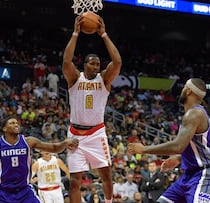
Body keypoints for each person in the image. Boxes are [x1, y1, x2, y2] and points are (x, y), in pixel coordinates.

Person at [127, 78, 210, 203]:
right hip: (189, 175)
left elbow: (178, 146)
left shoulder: (194, 114)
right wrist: (180, 158)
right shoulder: (194, 114)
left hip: (206, 175)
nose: (182, 90)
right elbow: (199, 147)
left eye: (184, 87)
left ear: (188, 91)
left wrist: (144, 149)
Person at [62, 14, 122, 203]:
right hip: (75, 134)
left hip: (96, 133)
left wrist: (104, 35)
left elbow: (118, 62)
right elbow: (66, 61)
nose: (96, 66)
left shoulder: (103, 79)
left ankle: (109, 202)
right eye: (92, 63)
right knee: (74, 181)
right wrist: (75, 33)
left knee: (106, 175)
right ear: (84, 64)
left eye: (98, 64)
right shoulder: (74, 78)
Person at [0, 117, 78, 203]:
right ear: (4, 129)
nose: (16, 124)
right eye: (12, 123)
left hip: (24, 190)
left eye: (17, 123)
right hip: (4, 191)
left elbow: (54, 148)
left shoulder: (29, 141)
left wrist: (66, 142)